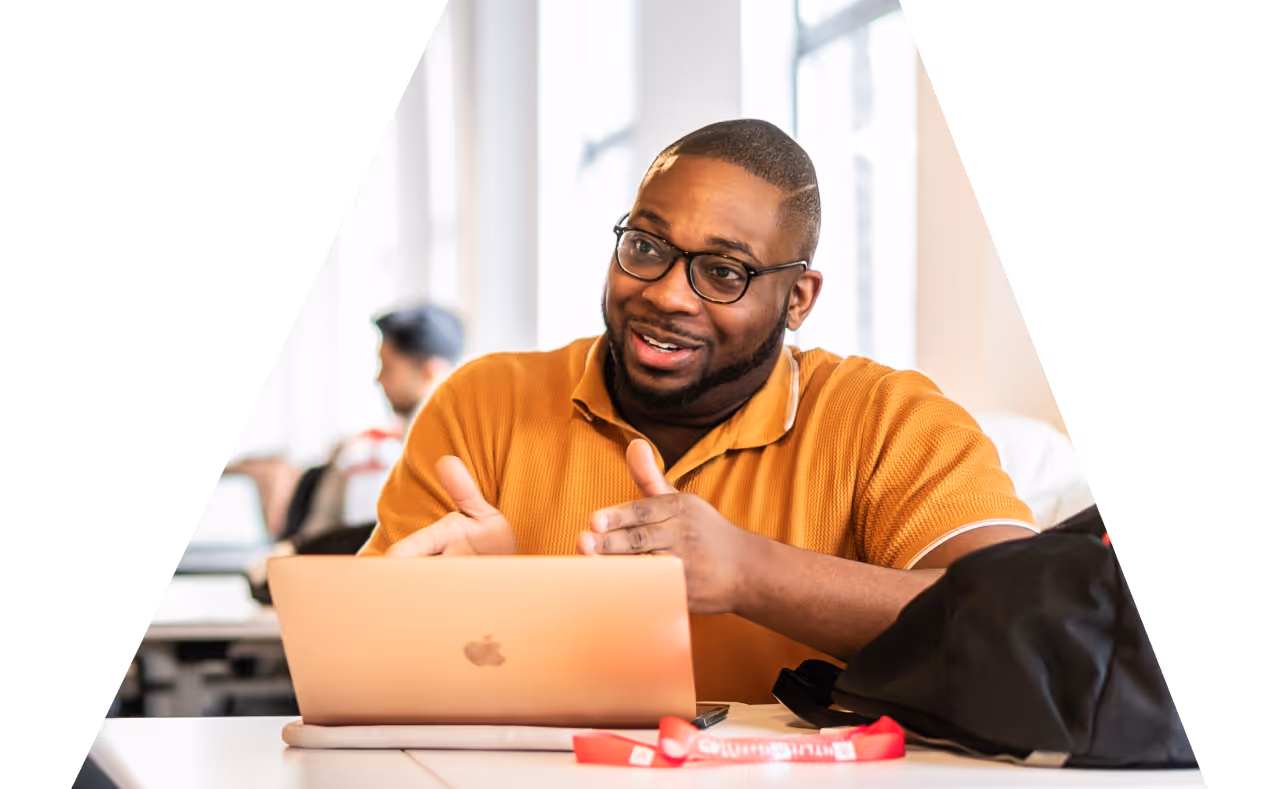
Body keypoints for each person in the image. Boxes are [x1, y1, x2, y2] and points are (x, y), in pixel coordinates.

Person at [358, 120, 1038, 705]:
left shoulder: (888, 419)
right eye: (647, 247)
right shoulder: (483, 403)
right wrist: (482, 610)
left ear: (798, 298)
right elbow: (356, 667)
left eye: (723, 271)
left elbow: (1026, 629)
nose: (668, 295)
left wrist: (749, 572)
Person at [237, 304, 464, 597]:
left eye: (389, 367)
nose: (378, 379)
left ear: (430, 372)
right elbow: (317, 532)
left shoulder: (463, 451)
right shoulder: (357, 452)